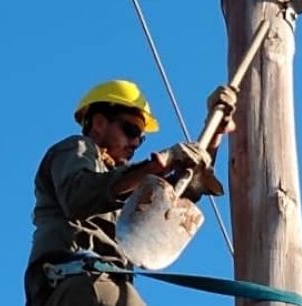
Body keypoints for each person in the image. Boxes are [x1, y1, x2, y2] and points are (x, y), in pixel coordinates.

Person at [24, 79, 236, 306]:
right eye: (130, 130)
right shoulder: (78, 149)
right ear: (98, 123)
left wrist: (215, 134)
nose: (135, 142)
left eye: (140, 138)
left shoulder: (126, 182)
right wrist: (158, 165)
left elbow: (175, 202)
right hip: (78, 282)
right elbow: (79, 196)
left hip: (108, 286)